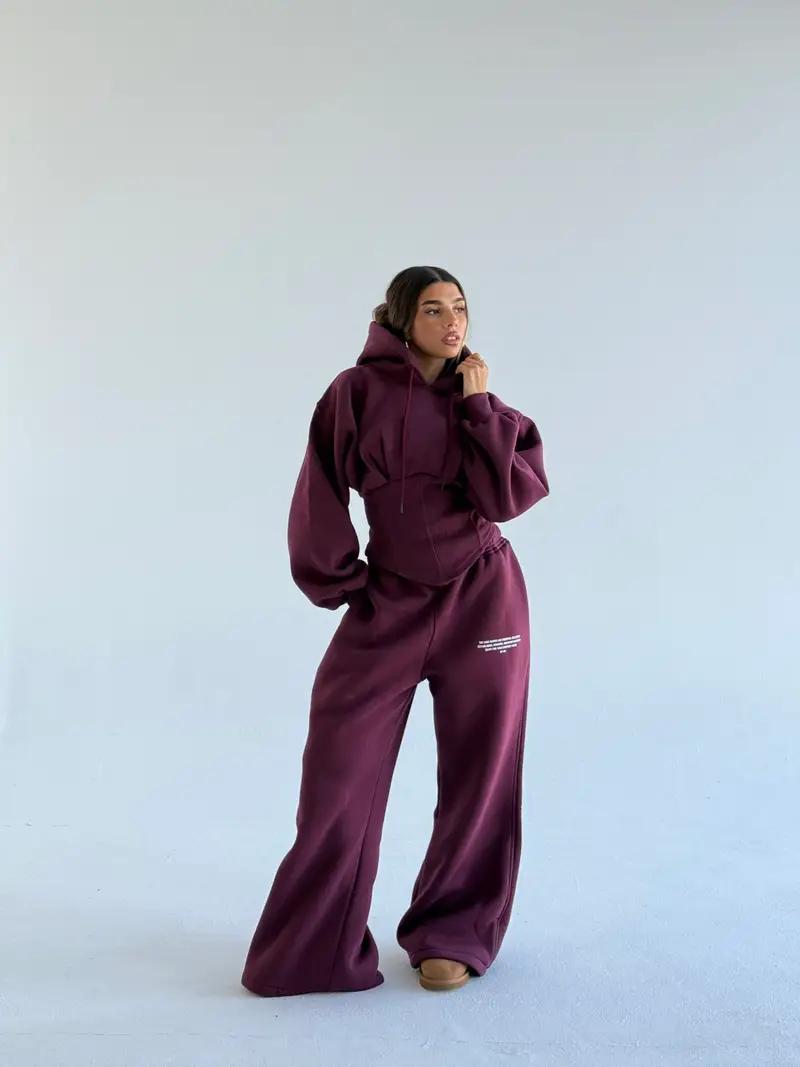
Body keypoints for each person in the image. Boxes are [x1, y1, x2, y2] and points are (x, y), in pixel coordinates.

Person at [240, 265, 550, 997]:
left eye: (461, 308)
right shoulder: (354, 392)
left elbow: (507, 497)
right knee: (339, 771)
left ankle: (454, 932)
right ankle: (317, 946)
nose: (453, 322)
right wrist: (341, 580)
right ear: (401, 318)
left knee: (481, 771)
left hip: (485, 600)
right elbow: (319, 486)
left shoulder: (487, 405)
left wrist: (477, 408)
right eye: (435, 309)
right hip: (388, 601)